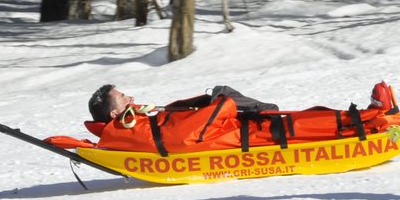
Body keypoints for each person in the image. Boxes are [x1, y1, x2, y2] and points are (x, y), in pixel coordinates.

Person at [88, 84, 279, 124]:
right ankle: (268, 116)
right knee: (223, 97)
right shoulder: (131, 126)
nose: (131, 98)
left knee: (220, 94)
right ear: (114, 114)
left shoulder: (135, 119)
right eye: (124, 98)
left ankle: (268, 115)